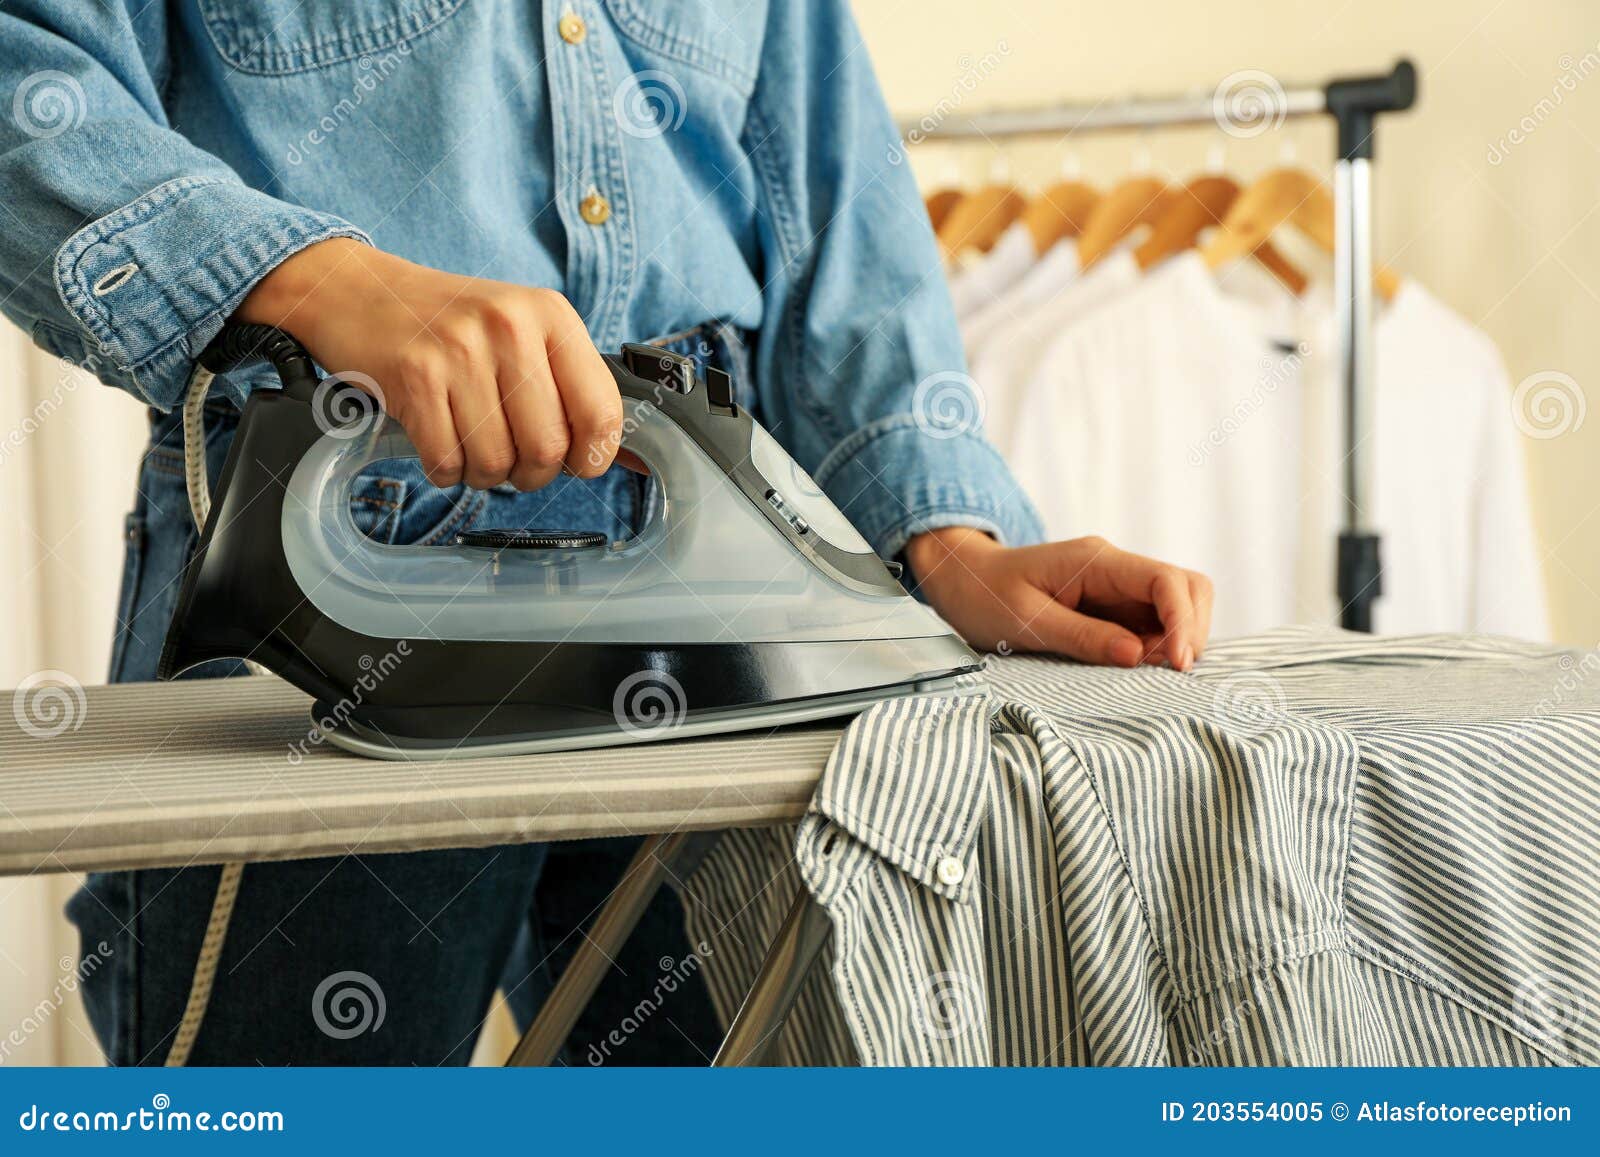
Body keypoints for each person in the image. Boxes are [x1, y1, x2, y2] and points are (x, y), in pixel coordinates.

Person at [0, 1, 1212, 1065]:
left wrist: (943, 540)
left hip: (713, 534)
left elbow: (831, 198)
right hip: (354, 484)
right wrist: (323, 283)